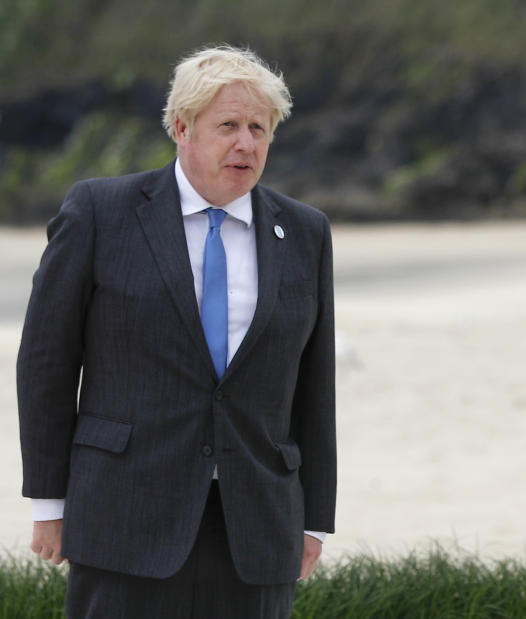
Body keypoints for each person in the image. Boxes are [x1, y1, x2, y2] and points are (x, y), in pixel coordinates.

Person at [18, 45, 336, 618]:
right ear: (181, 128)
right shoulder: (99, 212)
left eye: (259, 128)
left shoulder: (305, 231)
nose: (247, 143)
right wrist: (49, 502)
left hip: (257, 525)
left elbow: (315, 386)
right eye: (229, 126)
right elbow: (47, 361)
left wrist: (314, 519)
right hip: (124, 516)